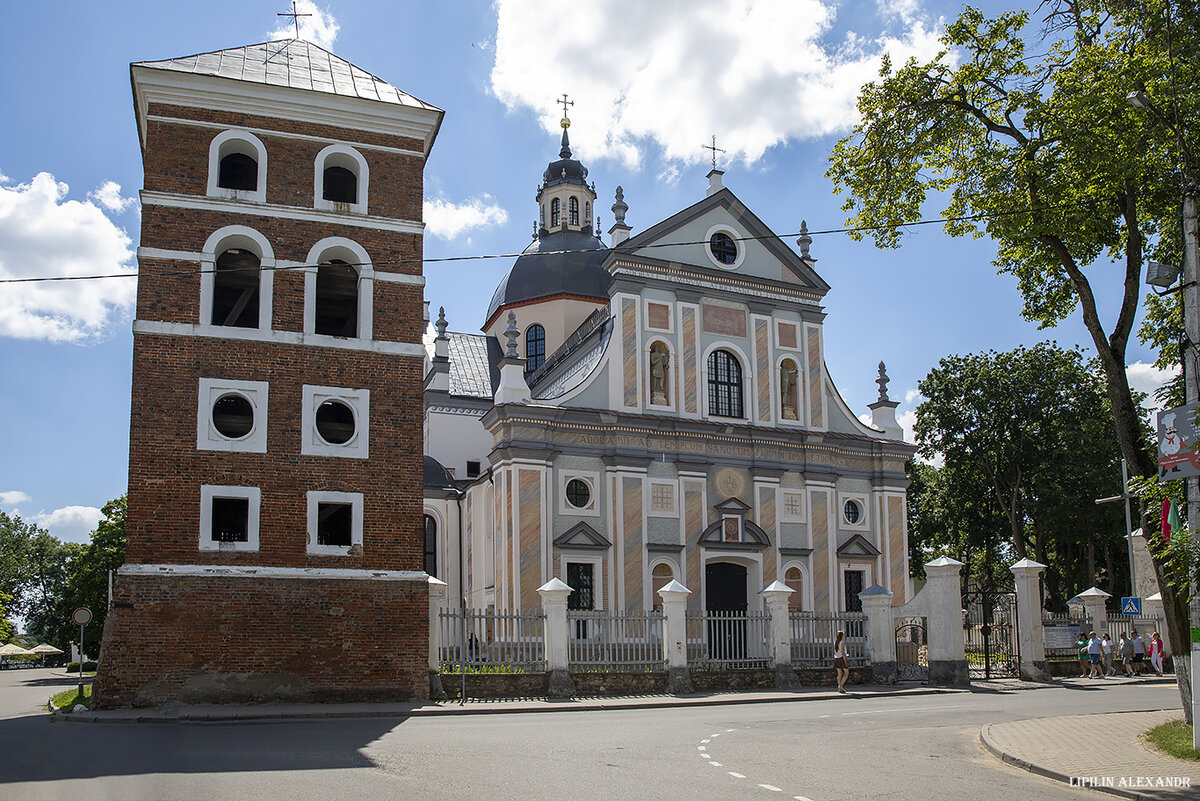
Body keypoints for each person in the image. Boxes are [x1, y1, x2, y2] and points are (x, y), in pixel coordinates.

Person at [833, 629, 849, 694]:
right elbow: (842, 652)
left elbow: (836, 651)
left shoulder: (835, 642)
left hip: (836, 658)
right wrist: (845, 659)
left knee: (839, 674)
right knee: (846, 673)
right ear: (842, 636)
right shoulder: (842, 642)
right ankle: (841, 686)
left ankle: (839, 687)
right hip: (841, 658)